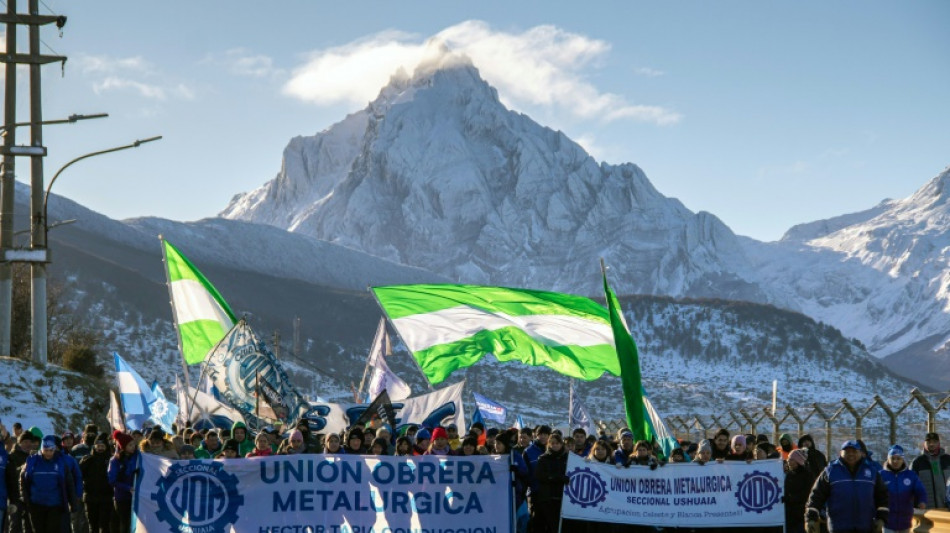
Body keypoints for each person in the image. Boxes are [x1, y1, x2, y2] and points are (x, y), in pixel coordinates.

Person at [805, 440, 888, 533]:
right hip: (838, 527)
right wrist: (810, 518)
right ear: (841, 453)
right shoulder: (830, 471)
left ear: (861, 453)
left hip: (866, 527)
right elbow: (816, 495)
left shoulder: (872, 471)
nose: (851, 454)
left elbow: (882, 496)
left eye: (854, 451)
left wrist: (881, 518)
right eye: (847, 451)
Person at [21, 435, 77, 533]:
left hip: (55, 504)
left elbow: (69, 483)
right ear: (42, 450)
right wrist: (25, 500)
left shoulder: (60, 463)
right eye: (46, 450)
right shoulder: (32, 461)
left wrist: (73, 503)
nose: (48, 453)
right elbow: (23, 480)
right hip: (36, 504)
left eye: (51, 450)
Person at [880, 445, 925, 533]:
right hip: (887, 522)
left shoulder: (911, 475)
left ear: (902, 459)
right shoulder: (881, 475)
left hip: (905, 521)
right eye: (892, 458)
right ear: (888, 460)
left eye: (898, 458)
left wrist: (922, 501)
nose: (895, 461)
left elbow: (920, 490)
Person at [532, 433, 569, 533]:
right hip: (548, 497)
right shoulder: (543, 458)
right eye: (552, 443)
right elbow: (540, 475)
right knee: (551, 525)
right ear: (549, 444)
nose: (555, 445)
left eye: (557, 443)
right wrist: (556, 477)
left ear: (561, 444)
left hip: (564, 497)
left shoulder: (568, 458)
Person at [79, 433, 113, 533]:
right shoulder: (87, 460)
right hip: (90, 497)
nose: (100, 448)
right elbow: (79, 476)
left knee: (105, 525)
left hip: (106, 498)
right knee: (93, 526)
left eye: (102, 446)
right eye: (98, 446)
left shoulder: (111, 460)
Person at [108, 431, 140, 533]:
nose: (133, 447)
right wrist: (127, 488)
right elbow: (112, 480)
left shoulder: (138, 457)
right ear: (123, 446)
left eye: (133, 444)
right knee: (125, 523)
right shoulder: (115, 461)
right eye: (130, 445)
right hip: (121, 497)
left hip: (136, 495)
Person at [910, 431, 950, 510]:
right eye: (929, 442)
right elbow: (912, 487)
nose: (931, 444)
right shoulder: (917, 462)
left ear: (938, 443)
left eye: (934, 442)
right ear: (924, 444)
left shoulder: (948, 460)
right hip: (926, 509)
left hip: (946, 508)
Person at [785, 449, 816, 533]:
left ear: (798, 461)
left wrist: (791, 499)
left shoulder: (807, 475)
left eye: (791, 459)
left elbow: (808, 494)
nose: (788, 461)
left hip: (801, 514)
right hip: (789, 515)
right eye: (788, 459)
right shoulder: (789, 475)